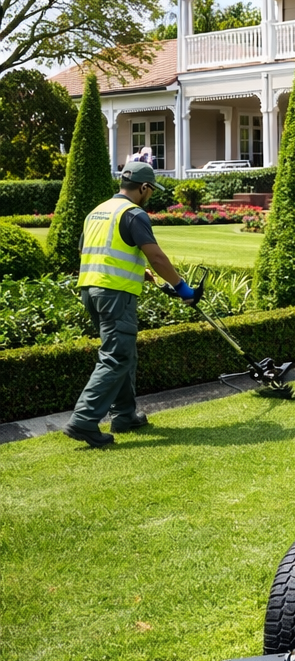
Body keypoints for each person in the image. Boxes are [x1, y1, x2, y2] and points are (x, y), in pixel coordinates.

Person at [65, 161, 196, 448]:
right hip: (115, 293)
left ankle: (124, 415)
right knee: (116, 356)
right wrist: (181, 287)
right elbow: (157, 256)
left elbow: (90, 250)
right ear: (144, 187)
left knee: (124, 352)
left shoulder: (97, 212)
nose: (150, 196)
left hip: (91, 289)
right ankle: (84, 421)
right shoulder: (133, 214)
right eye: (151, 191)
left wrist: (139, 272)